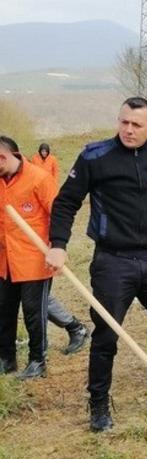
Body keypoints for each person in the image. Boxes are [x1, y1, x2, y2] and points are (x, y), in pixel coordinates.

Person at [47, 97, 147, 432]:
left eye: (136, 125)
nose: (128, 130)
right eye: (124, 122)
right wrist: (58, 245)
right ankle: (99, 404)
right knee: (106, 335)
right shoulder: (95, 157)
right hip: (113, 261)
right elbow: (66, 202)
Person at [0, 135, 57, 379]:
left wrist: (57, 247)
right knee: (4, 310)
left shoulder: (39, 178)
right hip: (4, 260)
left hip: (34, 259)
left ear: (4, 157)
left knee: (33, 312)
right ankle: (6, 359)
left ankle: (37, 360)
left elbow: (59, 214)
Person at [28, 143, 90, 354]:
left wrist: (57, 244)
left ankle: (74, 328)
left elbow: (58, 209)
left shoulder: (35, 176)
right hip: (8, 252)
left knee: (37, 299)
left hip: (31, 249)